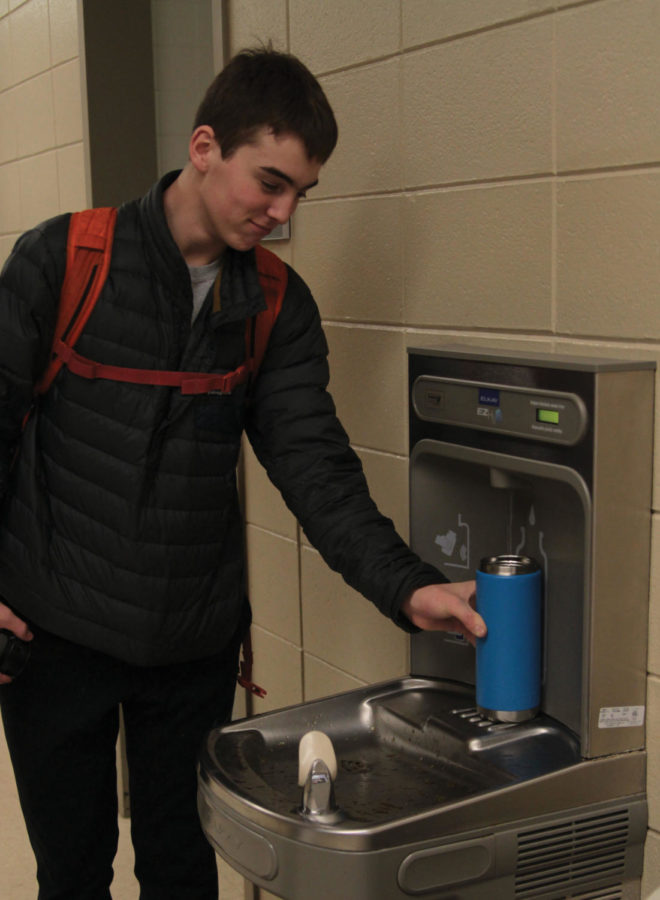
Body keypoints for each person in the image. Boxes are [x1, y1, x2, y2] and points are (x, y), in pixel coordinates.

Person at [0, 47, 485, 899]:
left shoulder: (274, 306)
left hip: (190, 644)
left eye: (300, 192)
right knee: (71, 872)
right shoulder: (63, 261)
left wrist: (406, 586)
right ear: (203, 147)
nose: (283, 209)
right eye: (269, 181)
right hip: (53, 634)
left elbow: (317, 469)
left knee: (184, 871)